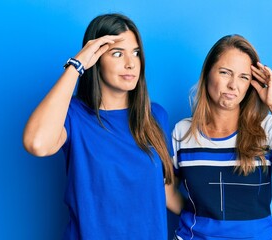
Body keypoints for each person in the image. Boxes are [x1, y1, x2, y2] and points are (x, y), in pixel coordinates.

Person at [23, 13, 175, 240]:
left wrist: (216, 220)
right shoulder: (73, 115)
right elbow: (37, 144)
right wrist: (77, 65)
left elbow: (166, 192)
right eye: (117, 53)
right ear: (95, 59)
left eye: (136, 53)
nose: (130, 63)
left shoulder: (155, 116)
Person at [168, 34, 272, 240]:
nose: (233, 85)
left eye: (243, 77)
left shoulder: (265, 129)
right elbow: (166, 192)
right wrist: (200, 215)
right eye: (225, 73)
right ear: (207, 74)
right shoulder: (183, 132)